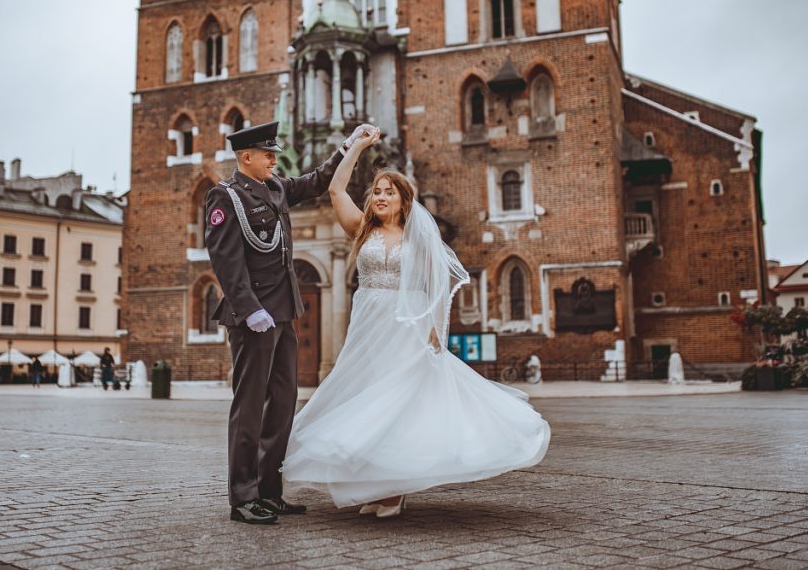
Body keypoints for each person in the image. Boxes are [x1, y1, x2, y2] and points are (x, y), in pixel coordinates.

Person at [281, 130, 551, 517]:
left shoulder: (418, 237)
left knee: (400, 399)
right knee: (371, 397)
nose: (381, 197)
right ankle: (376, 484)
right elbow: (337, 190)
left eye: (389, 191)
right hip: (369, 323)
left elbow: (436, 285)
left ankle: (394, 488)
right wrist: (356, 146)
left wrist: (436, 328)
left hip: (407, 321)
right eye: (377, 191)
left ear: (404, 200)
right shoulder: (362, 230)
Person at [205, 119, 376, 525]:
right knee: (249, 406)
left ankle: (269, 490)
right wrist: (249, 309)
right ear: (246, 157)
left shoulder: (277, 188)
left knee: (282, 404)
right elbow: (226, 261)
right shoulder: (224, 197)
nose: (273, 160)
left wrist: (349, 146)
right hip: (254, 317)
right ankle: (243, 496)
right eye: (268, 155)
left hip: (283, 310)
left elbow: (317, 181)